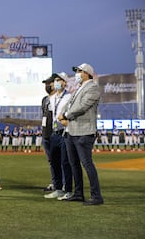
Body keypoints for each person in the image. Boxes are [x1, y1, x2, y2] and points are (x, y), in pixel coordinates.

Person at [58, 63, 104, 205]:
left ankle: (96, 196)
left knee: (87, 164)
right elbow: (70, 103)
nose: (77, 73)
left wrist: (65, 115)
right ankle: (78, 193)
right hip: (72, 130)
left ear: (87, 73)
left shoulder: (93, 88)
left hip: (84, 131)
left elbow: (82, 106)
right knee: (74, 164)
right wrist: (62, 114)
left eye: (79, 71)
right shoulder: (79, 88)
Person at [44, 72, 73, 201]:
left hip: (65, 132)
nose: (56, 82)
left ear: (65, 83)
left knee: (65, 162)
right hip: (54, 132)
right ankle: (58, 188)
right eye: (55, 80)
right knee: (54, 162)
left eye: (59, 80)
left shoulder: (69, 96)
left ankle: (68, 190)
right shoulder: (52, 98)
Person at [41, 76, 56, 191]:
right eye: (46, 84)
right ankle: (55, 182)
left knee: (59, 160)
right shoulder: (44, 99)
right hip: (46, 133)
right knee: (51, 161)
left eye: (49, 84)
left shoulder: (59, 98)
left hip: (55, 133)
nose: (47, 86)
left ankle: (63, 183)